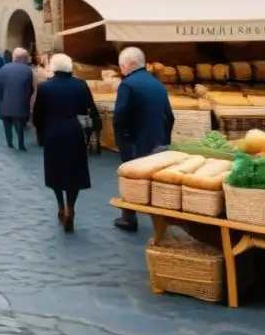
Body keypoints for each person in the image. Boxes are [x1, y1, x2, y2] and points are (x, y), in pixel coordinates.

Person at [32, 53, 101, 232]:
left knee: (55, 172)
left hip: (53, 134)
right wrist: (89, 131)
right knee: (74, 173)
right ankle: (71, 207)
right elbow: (89, 111)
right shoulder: (80, 85)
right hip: (75, 133)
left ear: (54, 67)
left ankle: (60, 206)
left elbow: (38, 114)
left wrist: (40, 134)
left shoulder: (45, 87)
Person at [112, 46, 174, 232]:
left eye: (121, 65)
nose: (121, 68)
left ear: (130, 64)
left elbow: (119, 117)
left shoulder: (127, 85)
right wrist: (164, 138)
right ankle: (161, 222)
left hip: (134, 142)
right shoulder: (157, 84)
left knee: (130, 179)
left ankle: (129, 218)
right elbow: (169, 116)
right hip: (158, 140)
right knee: (155, 181)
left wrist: (121, 141)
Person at [0, 48, 34, 150]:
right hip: (20, 104)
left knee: (7, 124)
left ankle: (9, 143)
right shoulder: (27, 70)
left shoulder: (3, 69)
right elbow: (30, 89)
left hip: (5, 103)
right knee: (19, 125)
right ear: (23, 58)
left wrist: (2, 97)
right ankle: (21, 144)